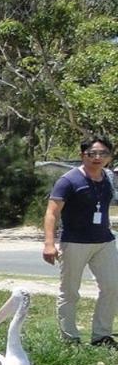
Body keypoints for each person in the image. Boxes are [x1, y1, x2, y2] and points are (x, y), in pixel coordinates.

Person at [43, 137, 118, 347]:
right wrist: (49, 243)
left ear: (109, 157)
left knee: (112, 287)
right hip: (74, 242)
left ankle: (101, 336)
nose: (97, 158)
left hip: (105, 241)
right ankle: (70, 338)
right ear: (82, 155)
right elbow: (52, 212)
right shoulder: (68, 181)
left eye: (103, 154)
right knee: (70, 291)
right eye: (92, 153)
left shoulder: (108, 178)